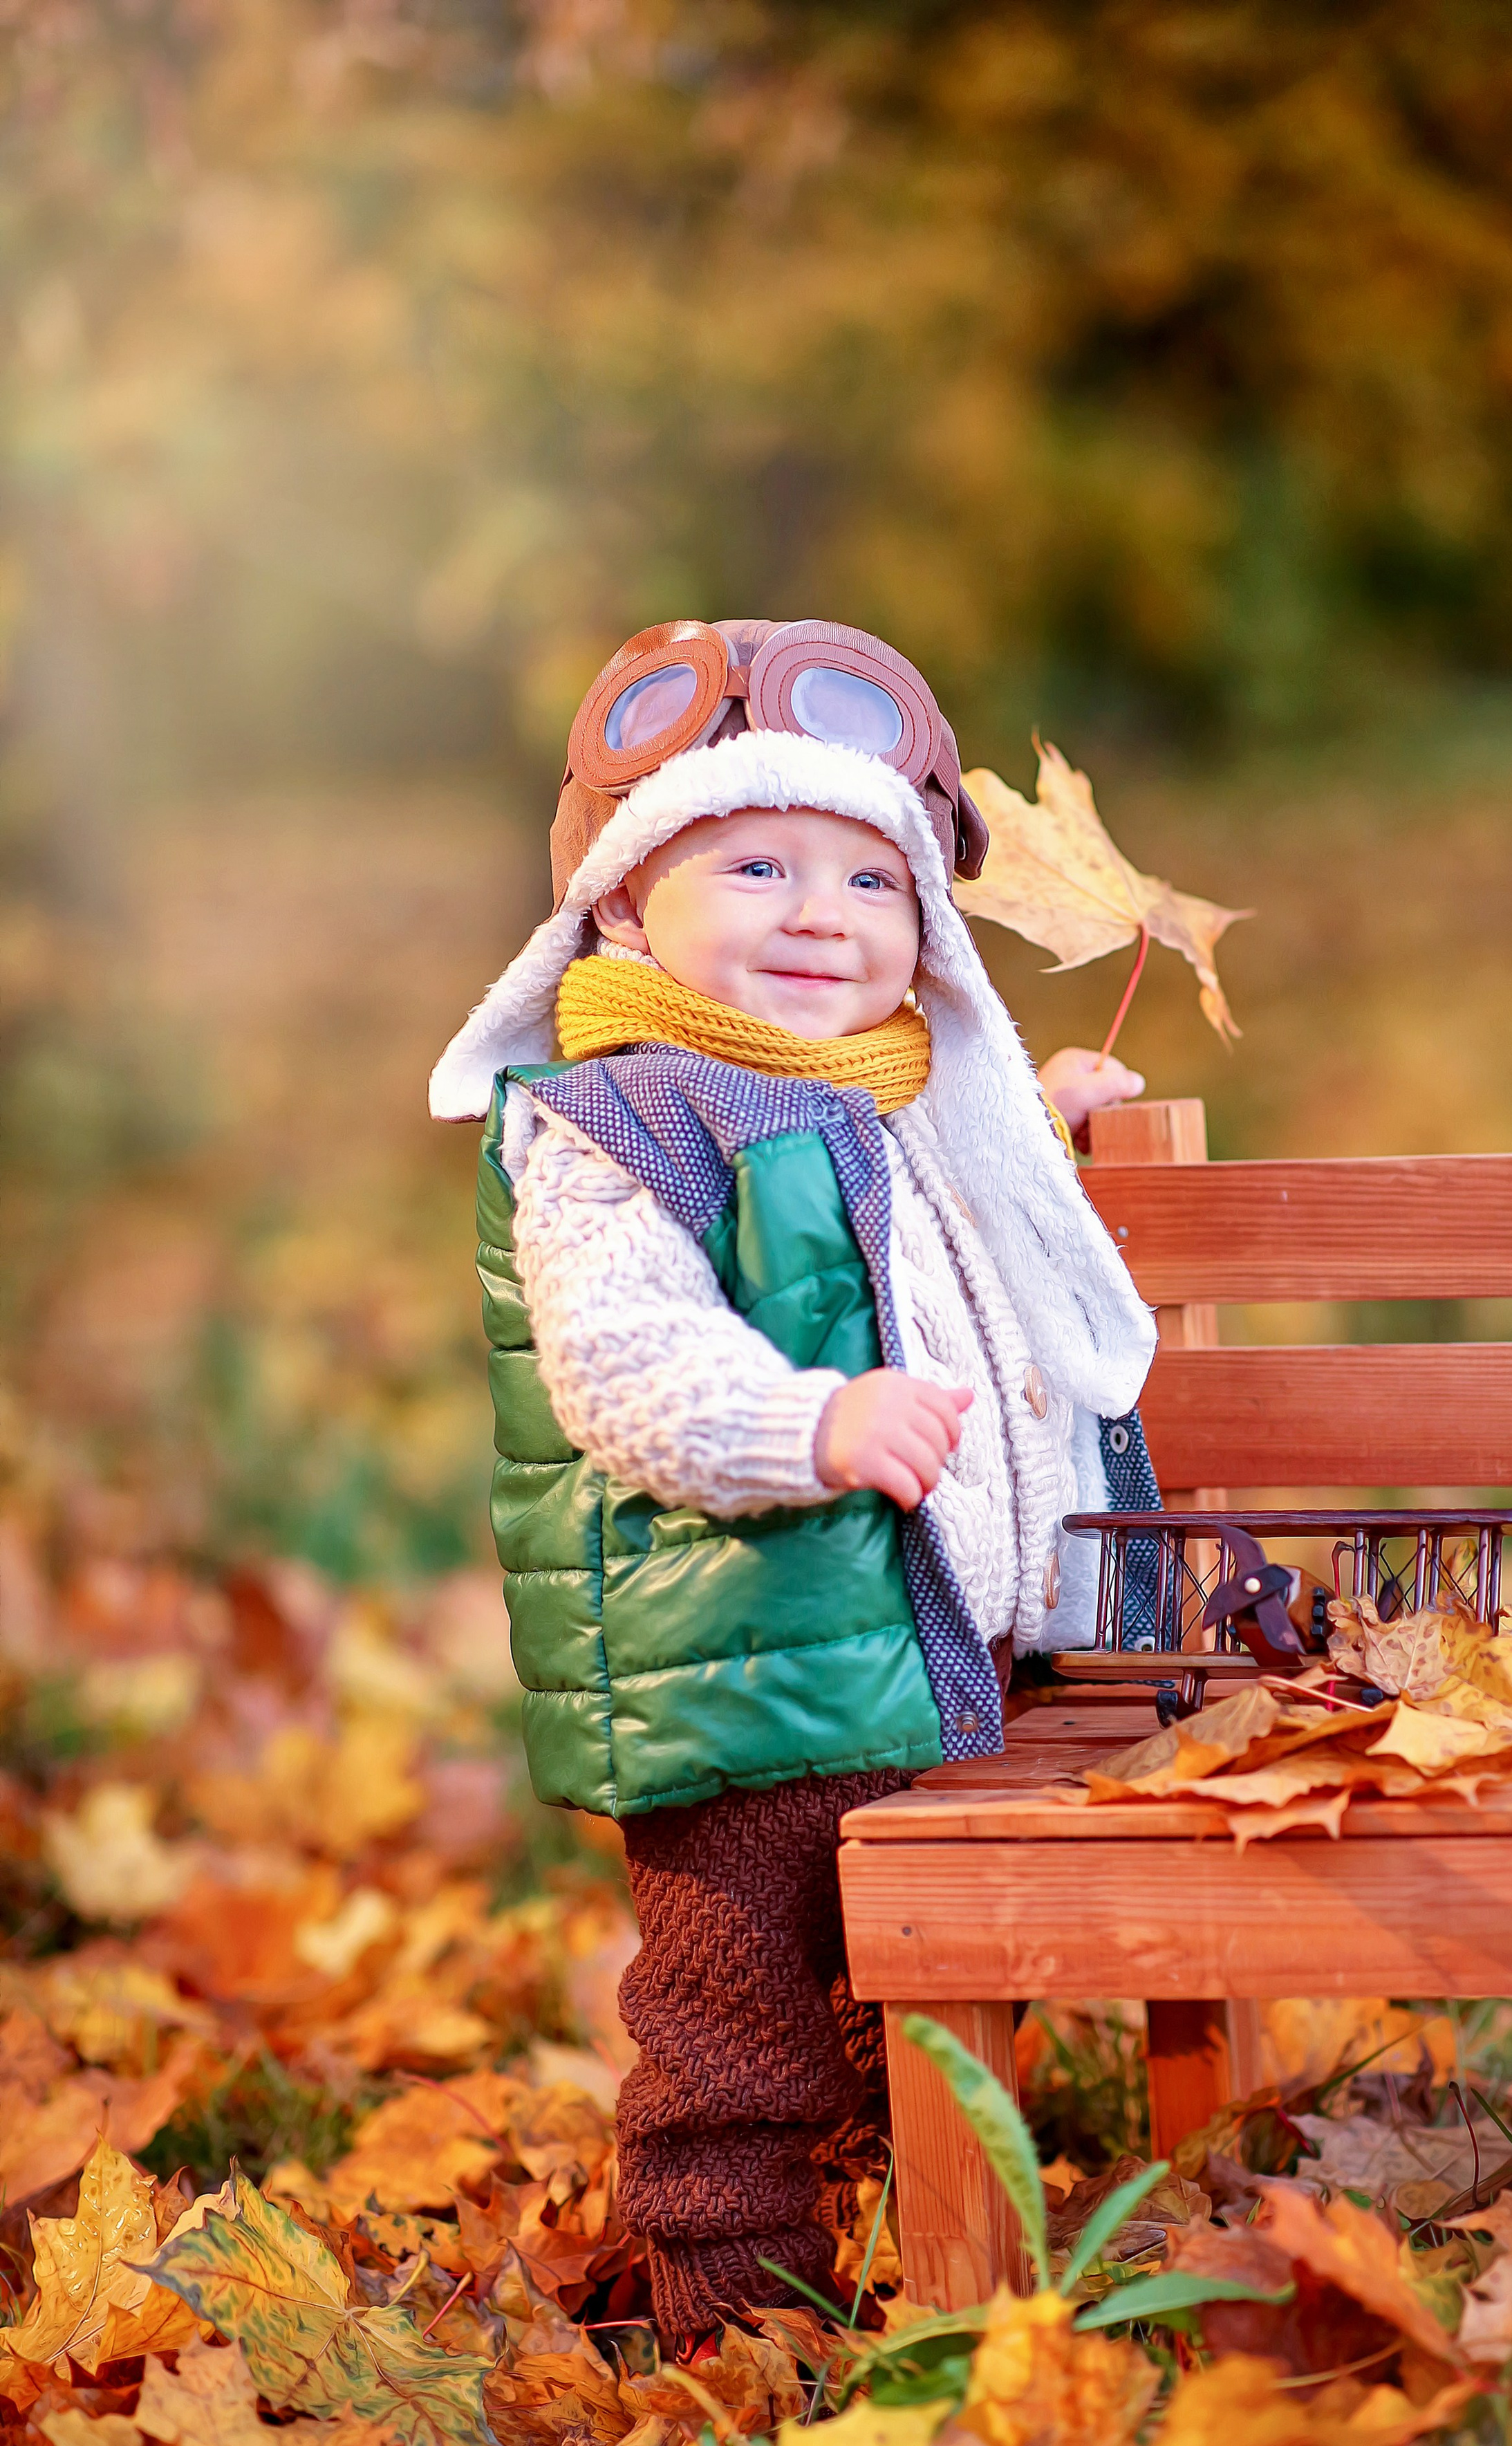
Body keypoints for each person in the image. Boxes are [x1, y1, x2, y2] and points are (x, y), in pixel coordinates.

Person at [431, 616, 1157, 2351]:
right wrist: (806, 1430)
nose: (820, 915)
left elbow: (935, 1232)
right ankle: (716, 2333)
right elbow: (627, 1364)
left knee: (875, 1999)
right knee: (734, 2028)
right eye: (754, 864)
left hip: (908, 1661)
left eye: (870, 882)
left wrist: (1041, 1113)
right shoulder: (617, 1124)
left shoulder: (895, 1092)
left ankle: (880, 2256)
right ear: (619, 904)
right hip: (738, 1668)